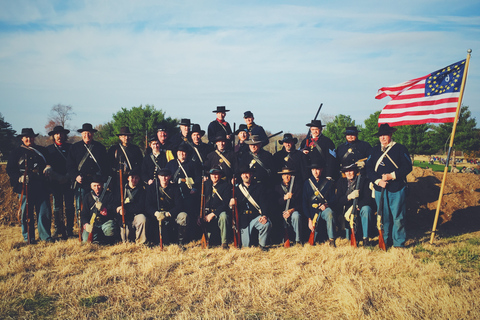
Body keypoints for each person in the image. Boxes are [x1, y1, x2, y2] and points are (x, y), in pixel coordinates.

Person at [366, 123, 412, 248]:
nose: (383, 138)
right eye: (381, 135)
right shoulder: (374, 150)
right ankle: (384, 241)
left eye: (385, 135)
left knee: (398, 217)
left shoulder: (400, 149)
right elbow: (368, 169)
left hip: (396, 188)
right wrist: (377, 181)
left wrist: (392, 175)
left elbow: (407, 167)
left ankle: (398, 243)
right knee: (383, 217)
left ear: (391, 135)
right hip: (379, 188)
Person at [7, 128, 53, 243]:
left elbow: (49, 162)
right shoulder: (15, 152)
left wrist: (48, 167)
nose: (29, 139)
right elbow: (10, 169)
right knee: (26, 214)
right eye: (26, 137)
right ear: (22, 139)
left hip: (41, 185)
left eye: (31, 137)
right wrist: (19, 177)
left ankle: (45, 237)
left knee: (44, 213)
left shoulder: (42, 150)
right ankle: (29, 237)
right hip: (25, 187)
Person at [66, 123, 108, 236]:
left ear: (93, 134)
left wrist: (102, 181)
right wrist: (76, 176)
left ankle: (97, 228)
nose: (87, 135)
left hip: (96, 182)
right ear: (81, 134)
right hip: (82, 182)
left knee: (97, 205)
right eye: (84, 133)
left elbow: (105, 165)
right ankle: (83, 228)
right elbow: (70, 165)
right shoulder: (74, 148)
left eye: (89, 133)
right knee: (81, 207)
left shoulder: (100, 148)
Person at [229, 166, 271, 251]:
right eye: (243, 174)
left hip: (255, 216)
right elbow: (231, 208)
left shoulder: (259, 187)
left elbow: (264, 203)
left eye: (247, 173)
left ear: (251, 174)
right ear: (241, 176)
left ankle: (262, 245)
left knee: (266, 224)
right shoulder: (236, 190)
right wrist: (231, 204)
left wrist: (264, 215)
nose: (245, 176)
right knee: (246, 247)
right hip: (243, 219)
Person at [165, 143, 201, 240]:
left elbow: (198, 178)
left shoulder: (193, 164)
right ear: (176, 153)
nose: (182, 154)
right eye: (180, 152)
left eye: (184, 152)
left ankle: (189, 237)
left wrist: (195, 188)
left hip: (188, 194)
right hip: (174, 194)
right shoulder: (171, 164)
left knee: (189, 215)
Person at [336, 161, 375, 246]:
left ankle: (366, 238)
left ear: (355, 171)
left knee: (367, 209)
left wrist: (357, 206)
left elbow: (368, 199)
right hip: (347, 212)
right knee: (349, 237)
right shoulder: (341, 182)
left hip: (360, 208)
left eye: (351, 170)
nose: (349, 173)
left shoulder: (363, 180)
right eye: (346, 171)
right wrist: (349, 197)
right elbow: (338, 200)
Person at [145, 168, 187, 246]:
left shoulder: (175, 188)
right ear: (158, 177)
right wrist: (156, 213)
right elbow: (147, 205)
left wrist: (169, 213)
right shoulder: (152, 188)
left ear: (170, 176)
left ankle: (180, 241)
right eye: (162, 176)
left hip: (170, 213)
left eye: (166, 176)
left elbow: (179, 205)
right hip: (157, 214)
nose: (164, 178)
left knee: (183, 216)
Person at [46, 125, 74, 239]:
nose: (59, 136)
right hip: (55, 181)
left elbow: (74, 163)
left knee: (69, 206)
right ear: (53, 136)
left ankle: (69, 229)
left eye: (61, 134)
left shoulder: (71, 148)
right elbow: (47, 164)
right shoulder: (48, 149)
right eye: (57, 134)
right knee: (57, 206)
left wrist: (67, 176)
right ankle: (58, 228)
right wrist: (56, 176)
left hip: (68, 181)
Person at [302, 161, 336, 246]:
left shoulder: (328, 183)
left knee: (330, 213)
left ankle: (332, 239)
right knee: (315, 238)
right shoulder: (307, 183)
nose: (315, 172)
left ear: (321, 170)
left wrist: (326, 205)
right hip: (312, 211)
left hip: (324, 209)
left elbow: (334, 199)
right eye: (313, 169)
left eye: (317, 169)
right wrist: (309, 219)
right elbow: (304, 202)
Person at [80, 175, 117, 244]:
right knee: (85, 241)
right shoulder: (87, 197)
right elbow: (84, 214)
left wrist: (105, 210)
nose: (97, 188)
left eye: (99, 185)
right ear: (91, 186)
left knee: (110, 232)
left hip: (105, 221)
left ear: (102, 185)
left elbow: (113, 210)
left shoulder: (109, 195)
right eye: (94, 186)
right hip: (92, 223)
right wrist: (86, 224)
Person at [202, 167, 232, 248]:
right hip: (207, 211)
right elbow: (201, 201)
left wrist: (213, 214)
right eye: (212, 174)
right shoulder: (205, 184)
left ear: (220, 175)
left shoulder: (225, 186)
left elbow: (225, 204)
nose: (214, 176)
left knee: (224, 216)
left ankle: (224, 242)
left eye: (216, 174)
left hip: (219, 211)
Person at [115, 169, 147, 244]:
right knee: (125, 238)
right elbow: (115, 204)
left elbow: (140, 207)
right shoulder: (121, 190)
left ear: (139, 179)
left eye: (136, 178)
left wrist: (125, 208)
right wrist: (118, 209)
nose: (134, 180)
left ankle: (141, 243)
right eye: (132, 177)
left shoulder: (142, 191)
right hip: (125, 217)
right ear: (128, 178)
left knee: (142, 219)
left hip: (136, 215)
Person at [274, 167, 302, 246]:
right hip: (281, 212)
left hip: (292, 211)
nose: (286, 177)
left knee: (296, 216)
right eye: (284, 175)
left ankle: (298, 240)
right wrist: (284, 198)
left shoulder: (297, 187)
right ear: (282, 176)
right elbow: (275, 203)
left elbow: (300, 203)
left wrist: (292, 210)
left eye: (288, 175)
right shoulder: (277, 187)